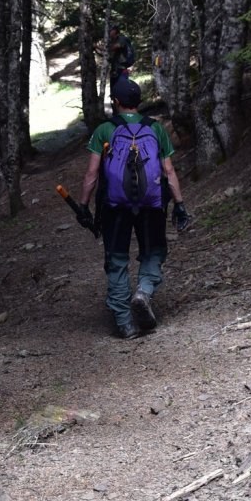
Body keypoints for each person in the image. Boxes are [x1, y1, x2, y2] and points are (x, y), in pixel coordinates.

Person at [78, 77, 190, 339]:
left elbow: (91, 174)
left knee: (117, 259)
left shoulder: (105, 130)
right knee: (153, 251)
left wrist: (83, 205)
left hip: (115, 206)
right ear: (138, 102)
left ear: (116, 102)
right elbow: (168, 170)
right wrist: (180, 204)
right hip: (152, 203)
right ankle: (144, 291)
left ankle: (125, 322)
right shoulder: (156, 128)